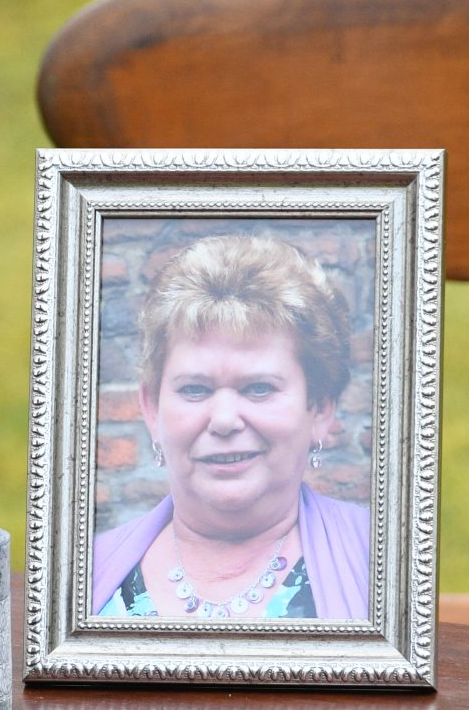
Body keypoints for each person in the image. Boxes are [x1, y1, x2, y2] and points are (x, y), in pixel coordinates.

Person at [93, 234, 369, 621]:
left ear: (320, 409)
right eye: (195, 389)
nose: (224, 420)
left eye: (259, 388)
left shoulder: (381, 560)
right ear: (152, 408)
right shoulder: (84, 568)